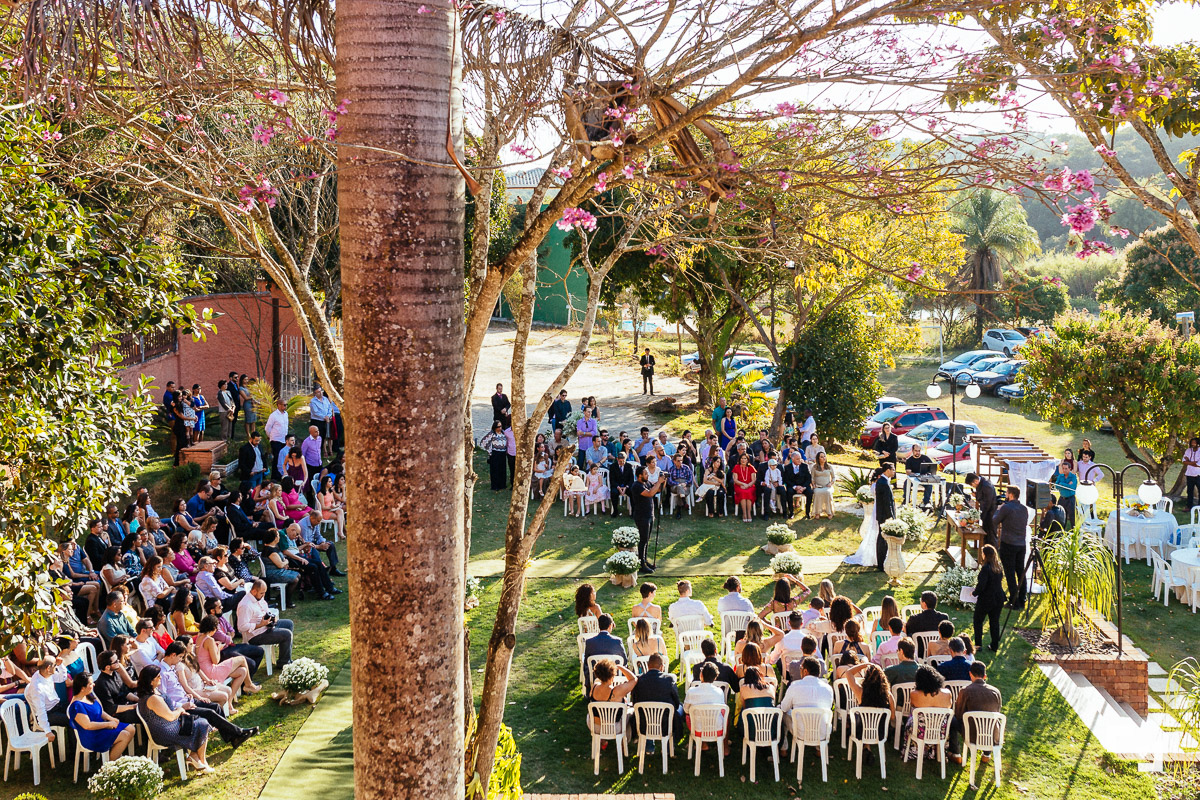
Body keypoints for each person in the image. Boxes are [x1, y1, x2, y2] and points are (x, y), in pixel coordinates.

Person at [136, 664, 215, 773]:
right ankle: (200, 760)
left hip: (169, 725)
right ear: (150, 681)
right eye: (158, 677)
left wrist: (180, 710)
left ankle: (194, 756)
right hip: (164, 732)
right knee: (202, 724)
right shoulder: (153, 698)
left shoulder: (154, 692)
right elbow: (170, 716)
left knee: (199, 721)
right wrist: (180, 710)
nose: (160, 678)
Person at [69, 672, 135, 760]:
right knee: (125, 735)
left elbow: (100, 711)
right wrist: (108, 724)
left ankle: (117, 754)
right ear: (82, 688)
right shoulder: (77, 706)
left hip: (101, 727)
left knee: (131, 729)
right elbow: (88, 725)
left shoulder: (88, 695)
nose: (94, 684)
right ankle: (111, 765)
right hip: (92, 736)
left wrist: (111, 719)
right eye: (90, 683)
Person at [947, 661, 1002, 764]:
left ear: (970, 674)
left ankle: (956, 753)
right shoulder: (996, 692)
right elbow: (997, 712)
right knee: (991, 720)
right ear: (985, 676)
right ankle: (987, 754)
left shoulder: (965, 691)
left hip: (971, 733)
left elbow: (958, 714)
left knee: (951, 720)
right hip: (991, 733)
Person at [195, 618, 260, 702]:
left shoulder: (199, 636)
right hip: (211, 672)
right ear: (213, 628)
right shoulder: (209, 640)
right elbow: (216, 661)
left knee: (242, 671)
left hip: (204, 671)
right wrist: (218, 648)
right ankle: (249, 685)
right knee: (242, 659)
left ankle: (229, 702)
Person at [238, 580, 294, 672]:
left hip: (266, 626)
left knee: (288, 623)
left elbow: (265, 610)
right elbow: (241, 627)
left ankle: (285, 658)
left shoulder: (258, 598)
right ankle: (284, 663)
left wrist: (272, 618)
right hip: (255, 635)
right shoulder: (245, 605)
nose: (263, 595)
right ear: (254, 591)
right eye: (262, 593)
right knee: (286, 634)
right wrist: (260, 625)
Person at [902, 665, 954, 761]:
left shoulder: (914, 694)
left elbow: (912, 706)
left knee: (911, 718)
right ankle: (935, 753)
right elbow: (949, 708)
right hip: (940, 731)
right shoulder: (947, 693)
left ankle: (914, 751)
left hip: (919, 731)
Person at [993, 486, 1030, 610]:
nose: (1006, 495)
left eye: (1007, 493)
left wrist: (999, 509)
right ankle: (1022, 598)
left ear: (1011, 494)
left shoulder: (1006, 508)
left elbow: (994, 521)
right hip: (1021, 544)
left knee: (1010, 573)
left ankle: (1013, 601)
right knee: (1021, 571)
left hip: (1008, 544)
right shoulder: (1024, 509)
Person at [779, 657, 834, 738]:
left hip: (801, 732)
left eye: (800, 668)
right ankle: (819, 749)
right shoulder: (828, 688)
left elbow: (784, 708)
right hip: (822, 732)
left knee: (782, 712)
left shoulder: (795, 685)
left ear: (805, 671)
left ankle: (783, 748)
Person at [683, 663, 729, 754]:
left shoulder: (691, 691)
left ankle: (703, 744)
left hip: (697, 729)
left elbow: (686, 710)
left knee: (689, 715)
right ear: (715, 678)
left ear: (701, 675)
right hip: (717, 728)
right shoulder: (719, 692)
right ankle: (724, 746)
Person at [630, 467, 666, 572]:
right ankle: (641, 564)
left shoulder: (647, 483)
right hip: (641, 516)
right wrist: (659, 482)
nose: (647, 475)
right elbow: (650, 493)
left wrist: (663, 481)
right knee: (643, 540)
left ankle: (644, 560)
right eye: (645, 473)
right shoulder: (636, 486)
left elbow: (657, 490)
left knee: (647, 539)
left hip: (649, 515)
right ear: (639, 475)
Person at [24, 656, 70, 739]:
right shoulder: (37, 688)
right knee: (72, 720)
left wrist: (60, 665)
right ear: (48, 668)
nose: (56, 667)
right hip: (49, 713)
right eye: (55, 665)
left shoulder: (45, 673)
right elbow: (40, 711)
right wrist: (48, 731)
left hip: (57, 706)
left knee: (76, 708)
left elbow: (62, 678)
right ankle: (75, 750)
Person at [972, 544, 1007, 652]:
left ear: (985, 555)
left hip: (986, 599)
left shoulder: (985, 568)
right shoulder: (998, 567)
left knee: (978, 621)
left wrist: (974, 593)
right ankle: (994, 645)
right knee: (994, 622)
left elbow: (982, 585)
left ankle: (978, 644)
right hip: (998, 598)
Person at [582, 614, 627, 691]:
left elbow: (586, 662)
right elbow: (624, 661)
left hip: (596, 676)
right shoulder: (617, 641)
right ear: (610, 626)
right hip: (612, 677)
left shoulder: (589, 642)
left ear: (599, 626)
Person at [965, 472, 999, 548]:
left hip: (990, 512)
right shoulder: (982, 480)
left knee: (991, 534)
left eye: (972, 485)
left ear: (976, 481)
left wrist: (980, 516)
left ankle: (993, 554)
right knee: (986, 533)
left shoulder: (986, 485)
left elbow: (987, 502)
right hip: (987, 511)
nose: (973, 486)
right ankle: (985, 552)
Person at [874, 463, 896, 570]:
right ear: (887, 470)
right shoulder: (883, 483)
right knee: (883, 539)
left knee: (883, 539)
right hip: (884, 516)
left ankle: (882, 561)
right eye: (893, 470)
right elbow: (887, 503)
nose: (894, 472)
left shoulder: (883, 481)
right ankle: (881, 564)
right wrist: (891, 518)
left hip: (882, 515)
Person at [781, 450, 813, 520]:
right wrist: (795, 487)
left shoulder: (805, 466)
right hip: (793, 486)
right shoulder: (787, 467)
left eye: (800, 458)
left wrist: (803, 487)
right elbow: (786, 479)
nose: (799, 460)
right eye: (797, 459)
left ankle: (808, 512)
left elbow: (808, 478)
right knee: (789, 492)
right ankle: (791, 513)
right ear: (792, 459)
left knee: (810, 492)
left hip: (803, 486)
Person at [265, 399, 290, 480]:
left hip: (284, 440)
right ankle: (275, 476)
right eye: (284, 405)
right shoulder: (273, 415)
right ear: (278, 405)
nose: (285, 406)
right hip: (276, 440)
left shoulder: (286, 414)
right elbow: (268, 428)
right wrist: (271, 436)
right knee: (277, 458)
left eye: (286, 405)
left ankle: (282, 474)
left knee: (283, 458)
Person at [481, 421, 509, 492]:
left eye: (501, 426)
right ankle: (495, 486)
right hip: (495, 453)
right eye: (498, 427)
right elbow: (484, 442)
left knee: (502, 469)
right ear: (495, 428)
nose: (500, 428)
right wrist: (490, 450)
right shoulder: (492, 434)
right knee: (495, 470)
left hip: (502, 453)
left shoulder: (503, 433)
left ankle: (502, 485)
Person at [309, 385, 336, 458]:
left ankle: (325, 451)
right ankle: (317, 452)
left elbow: (330, 408)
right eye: (318, 392)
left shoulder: (325, 399)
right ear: (315, 393)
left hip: (326, 420)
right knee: (318, 437)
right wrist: (324, 417)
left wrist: (328, 416)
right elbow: (315, 412)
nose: (320, 393)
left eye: (321, 391)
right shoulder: (313, 401)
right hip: (317, 421)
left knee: (326, 436)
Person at [1050, 461, 1078, 530]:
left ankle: (1074, 532)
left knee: (1072, 517)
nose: (1064, 470)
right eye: (1063, 468)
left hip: (1070, 499)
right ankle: (1061, 532)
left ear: (1070, 469)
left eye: (1066, 468)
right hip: (1062, 499)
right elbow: (1057, 486)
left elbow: (1071, 487)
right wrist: (1066, 484)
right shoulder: (1060, 476)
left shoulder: (1073, 477)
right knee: (1060, 516)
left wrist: (1061, 484)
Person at [666, 452, 694, 519]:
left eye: (681, 460)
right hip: (675, 486)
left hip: (685, 486)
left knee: (680, 489)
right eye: (678, 461)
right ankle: (684, 503)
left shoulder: (686, 468)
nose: (680, 462)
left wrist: (685, 483)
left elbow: (690, 478)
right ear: (674, 461)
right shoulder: (671, 469)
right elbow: (669, 481)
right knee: (679, 487)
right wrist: (677, 484)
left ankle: (679, 511)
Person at [608, 452, 636, 517]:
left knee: (633, 492)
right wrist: (618, 487)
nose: (622, 463)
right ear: (617, 459)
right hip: (617, 485)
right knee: (614, 492)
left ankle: (633, 511)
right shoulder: (613, 467)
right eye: (621, 461)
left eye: (624, 461)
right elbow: (612, 479)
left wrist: (626, 487)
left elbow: (631, 479)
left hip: (626, 486)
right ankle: (615, 510)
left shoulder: (629, 466)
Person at [732, 452, 757, 523]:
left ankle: (749, 513)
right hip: (739, 485)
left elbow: (754, 480)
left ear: (747, 460)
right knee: (743, 492)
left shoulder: (751, 467)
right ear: (739, 460)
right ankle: (744, 513)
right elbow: (735, 480)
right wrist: (743, 484)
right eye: (742, 458)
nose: (743, 460)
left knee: (748, 492)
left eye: (745, 458)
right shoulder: (736, 467)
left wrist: (748, 485)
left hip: (750, 485)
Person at [810, 452, 835, 519]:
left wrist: (831, 483)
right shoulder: (814, 467)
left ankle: (829, 512)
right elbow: (812, 477)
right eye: (821, 457)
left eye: (824, 456)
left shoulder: (829, 467)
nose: (824, 458)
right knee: (817, 493)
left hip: (827, 486)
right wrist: (814, 484)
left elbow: (833, 477)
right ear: (818, 458)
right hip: (818, 486)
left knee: (828, 493)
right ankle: (817, 512)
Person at [1184, 437, 1200, 511]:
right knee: (1189, 491)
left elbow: (1198, 464)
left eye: (1194, 442)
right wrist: (1193, 462)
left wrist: (1189, 462)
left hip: (1198, 474)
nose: (1193, 444)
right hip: (1189, 474)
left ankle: (1199, 507)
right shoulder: (1188, 450)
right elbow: (1184, 461)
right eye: (1192, 442)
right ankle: (1189, 506)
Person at [239, 376, 257, 440]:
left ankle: (253, 433)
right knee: (248, 420)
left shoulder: (249, 387)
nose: (246, 381)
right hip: (247, 404)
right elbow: (246, 398)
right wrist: (252, 396)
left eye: (247, 379)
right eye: (245, 379)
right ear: (242, 380)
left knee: (253, 420)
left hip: (253, 404)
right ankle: (248, 434)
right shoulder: (241, 388)